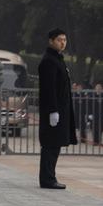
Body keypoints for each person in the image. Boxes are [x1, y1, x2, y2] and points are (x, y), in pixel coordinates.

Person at [38, 28, 76, 189]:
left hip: (60, 110)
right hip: (53, 110)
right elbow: (49, 88)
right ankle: (47, 178)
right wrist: (53, 110)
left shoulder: (58, 59)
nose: (63, 43)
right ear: (51, 41)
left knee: (55, 144)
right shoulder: (49, 61)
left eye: (64, 40)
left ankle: (50, 176)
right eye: (59, 40)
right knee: (50, 145)